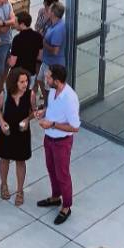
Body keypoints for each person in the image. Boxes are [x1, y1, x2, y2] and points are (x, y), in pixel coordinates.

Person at [38, 64, 81, 225]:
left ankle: (66, 206)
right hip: (49, 138)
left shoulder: (70, 98)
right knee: (51, 169)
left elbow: (75, 126)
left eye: (49, 77)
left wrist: (53, 124)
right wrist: (43, 111)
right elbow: (51, 108)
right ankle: (56, 197)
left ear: (56, 80)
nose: (46, 79)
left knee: (62, 174)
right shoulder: (52, 91)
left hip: (61, 142)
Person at [0, 68, 35, 204]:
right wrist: (2, 122)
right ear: (14, 82)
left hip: (22, 133)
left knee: (20, 162)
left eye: (26, 81)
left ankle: (20, 191)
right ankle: (4, 184)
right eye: (22, 82)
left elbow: (33, 112)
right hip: (7, 131)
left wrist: (27, 120)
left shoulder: (30, 94)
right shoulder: (5, 94)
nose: (25, 84)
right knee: (4, 159)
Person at [8, 10, 42, 81]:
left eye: (16, 22)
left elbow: (12, 63)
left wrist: (8, 59)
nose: (14, 24)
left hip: (17, 75)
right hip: (31, 74)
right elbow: (40, 57)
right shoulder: (38, 36)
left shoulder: (17, 39)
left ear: (22, 24)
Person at [42, 4, 66, 75]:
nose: (46, 11)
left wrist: (44, 43)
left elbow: (55, 51)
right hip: (47, 61)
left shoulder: (58, 30)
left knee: (48, 85)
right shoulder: (54, 23)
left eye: (49, 10)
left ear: (52, 13)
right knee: (40, 79)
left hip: (53, 65)